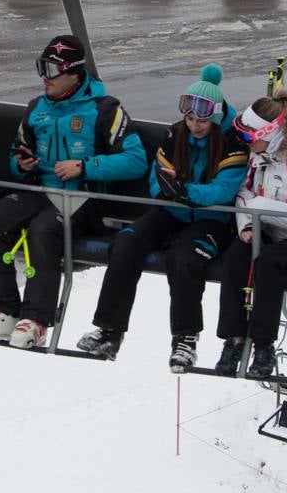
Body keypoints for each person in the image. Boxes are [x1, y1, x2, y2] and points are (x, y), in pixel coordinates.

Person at [0, 34, 148, 348]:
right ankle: (3, 310)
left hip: (85, 198)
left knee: (45, 230)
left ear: (74, 73)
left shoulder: (105, 110)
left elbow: (135, 160)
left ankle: (37, 320)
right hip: (42, 190)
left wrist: (85, 166)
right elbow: (17, 152)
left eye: (52, 70)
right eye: (42, 67)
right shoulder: (36, 110)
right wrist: (22, 164)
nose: (45, 77)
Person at [76, 65, 248, 371]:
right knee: (125, 244)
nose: (195, 126)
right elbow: (157, 182)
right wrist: (169, 191)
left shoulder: (232, 144)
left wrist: (185, 190)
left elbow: (223, 190)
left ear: (216, 117)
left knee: (184, 259)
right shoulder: (174, 135)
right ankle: (109, 330)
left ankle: (185, 338)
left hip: (213, 219)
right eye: (190, 118)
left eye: (202, 120)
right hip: (171, 210)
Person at [213, 87, 287, 379]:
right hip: (269, 231)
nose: (244, 144)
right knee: (237, 255)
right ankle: (235, 338)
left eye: (248, 138)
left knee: (269, 262)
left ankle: (264, 345)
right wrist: (248, 224)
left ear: (271, 134)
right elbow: (245, 193)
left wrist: (262, 208)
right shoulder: (259, 158)